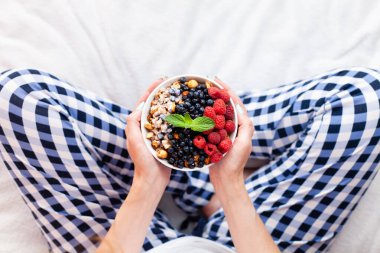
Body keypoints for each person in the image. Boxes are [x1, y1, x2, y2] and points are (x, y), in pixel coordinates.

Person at [0, 67, 379, 253]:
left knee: (15, 97)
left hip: (135, 243)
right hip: (247, 242)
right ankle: (209, 166)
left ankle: (179, 154)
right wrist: (229, 187)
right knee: (365, 98)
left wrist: (148, 184)